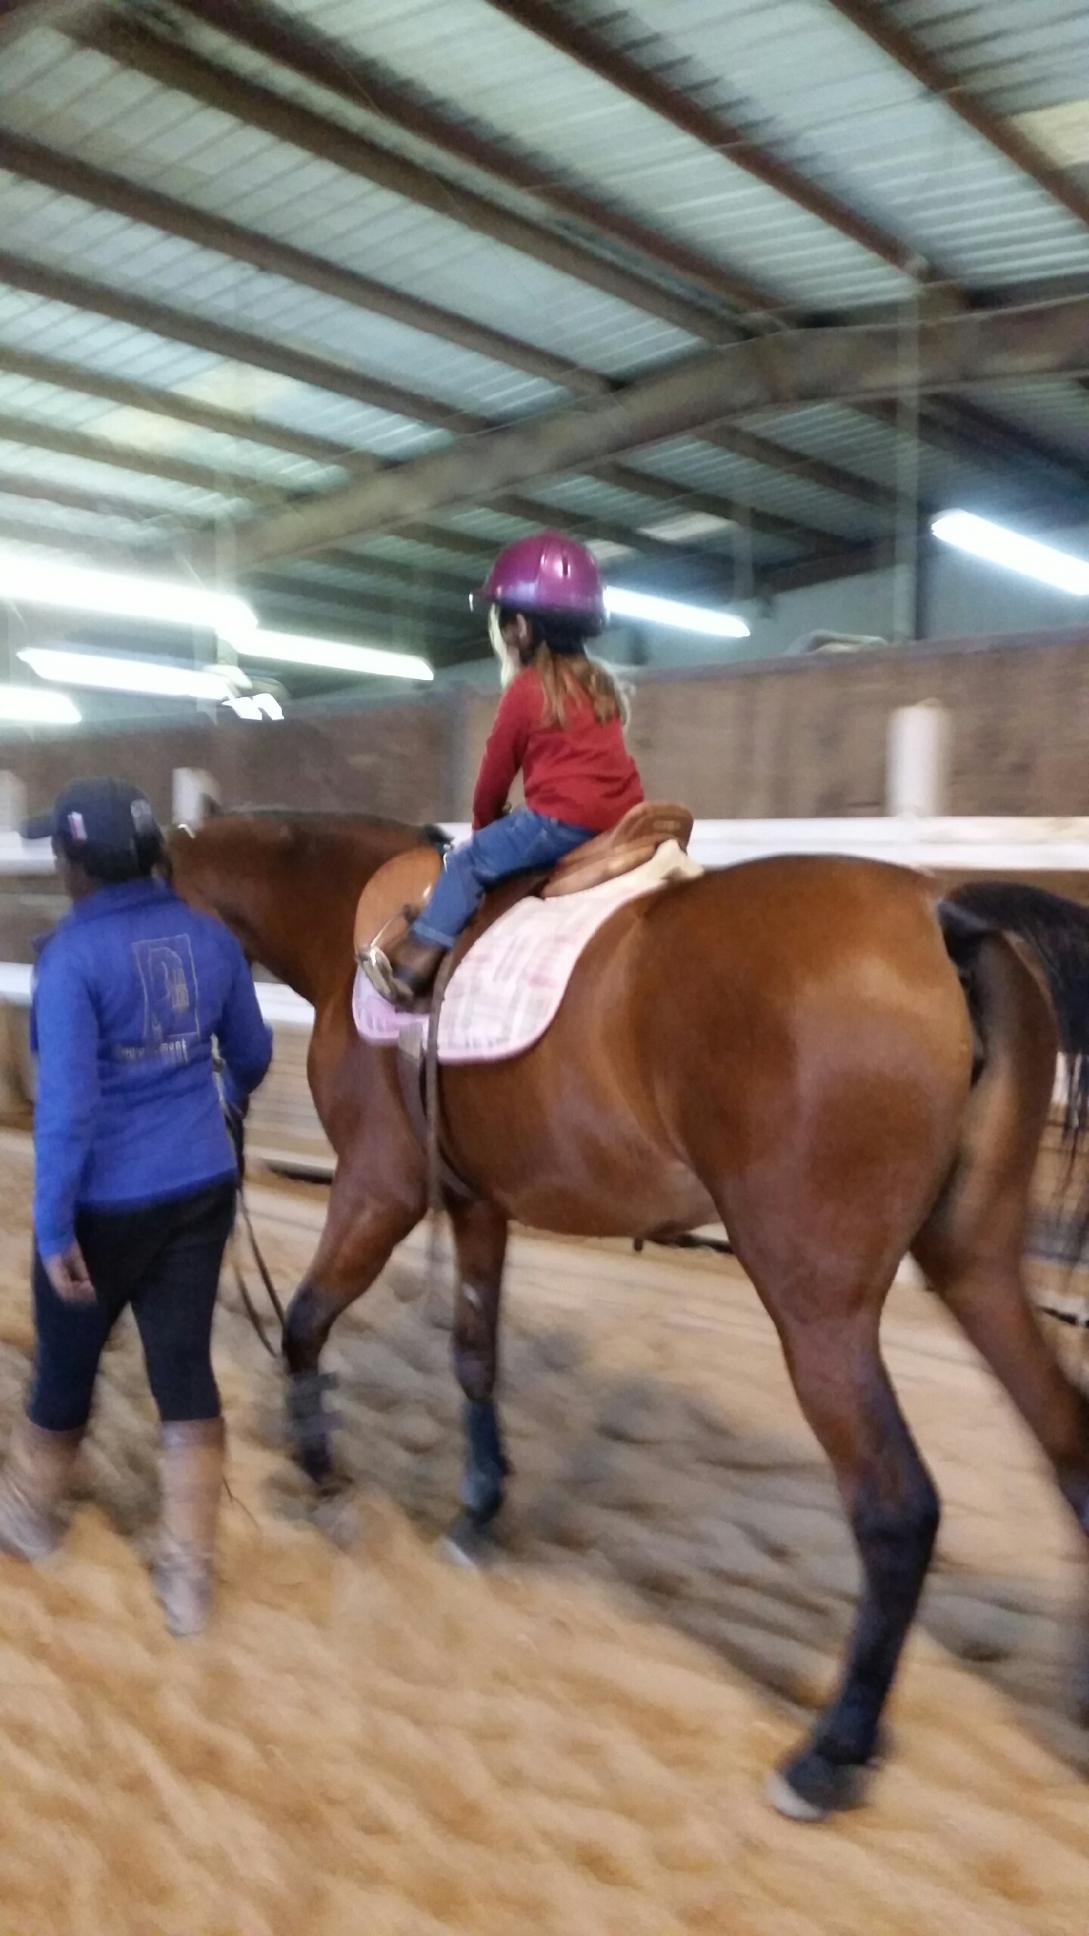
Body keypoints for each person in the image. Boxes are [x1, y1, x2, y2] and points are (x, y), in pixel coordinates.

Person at [0, 779, 272, 1636]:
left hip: (104, 1204)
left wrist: (53, 1227)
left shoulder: (71, 960)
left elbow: (68, 1110)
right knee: (182, 1364)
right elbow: (253, 1052)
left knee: (66, 1363)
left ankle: (29, 1520)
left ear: (76, 864)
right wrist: (217, 1107)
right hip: (200, 1187)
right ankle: (189, 1580)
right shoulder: (211, 938)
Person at [367, 531, 644, 1005]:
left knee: (466, 864)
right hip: (622, 819)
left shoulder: (528, 688)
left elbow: (494, 776)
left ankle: (413, 967)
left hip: (560, 823)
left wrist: (484, 828)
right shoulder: (601, 683)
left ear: (519, 628)